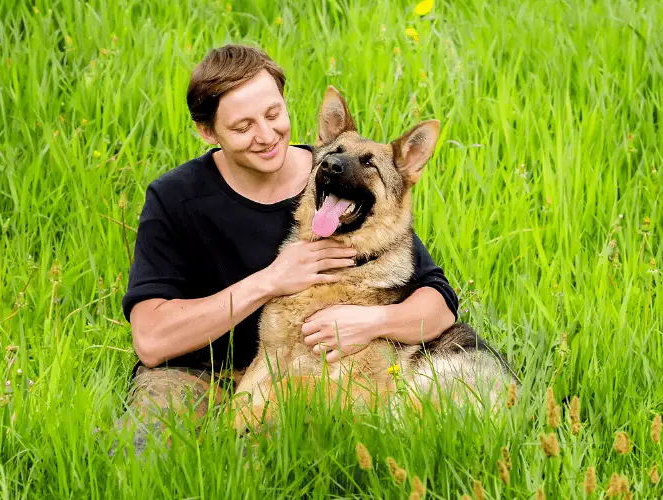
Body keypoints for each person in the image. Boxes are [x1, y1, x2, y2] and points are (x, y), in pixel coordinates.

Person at [115, 44, 458, 450]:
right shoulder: (175, 199)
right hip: (196, 372)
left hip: (303, 375)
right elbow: (152, 342)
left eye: (274, 114)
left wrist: (371, 323)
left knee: (282, 457)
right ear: (208, 132)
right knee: (144, 453)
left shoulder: (336, 185)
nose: (266, 136)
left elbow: (439, 305)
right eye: (243, 127)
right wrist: (270, 280)